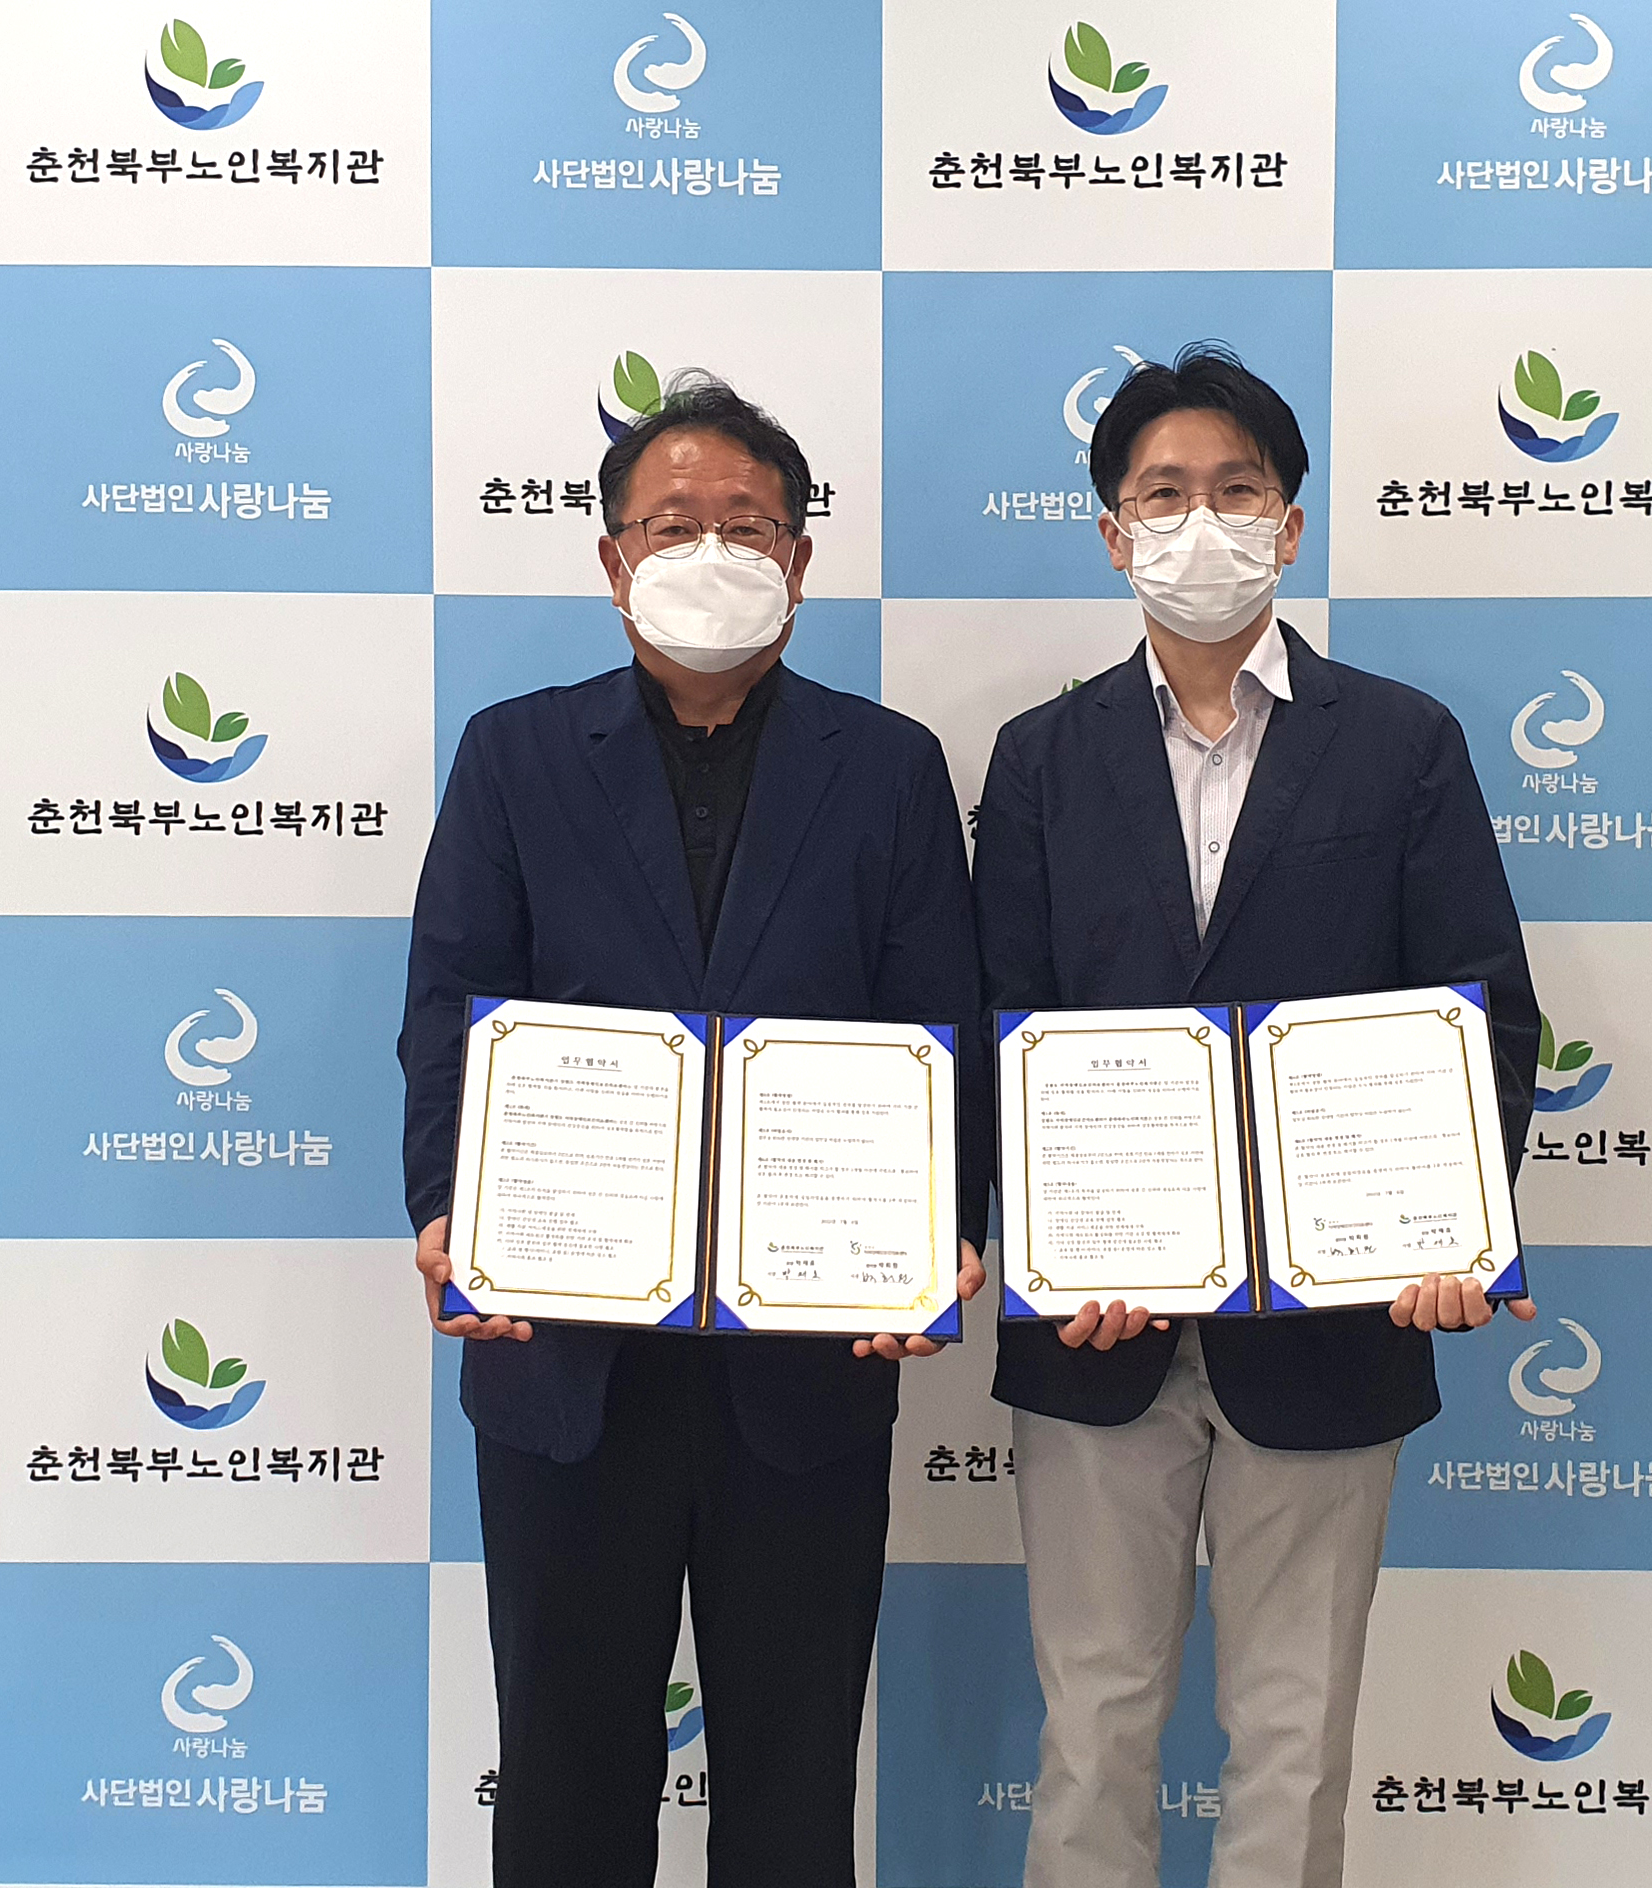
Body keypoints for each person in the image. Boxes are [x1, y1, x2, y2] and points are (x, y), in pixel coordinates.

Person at [400, 372, 987, 1886]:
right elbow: (451, 1008)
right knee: (565, 1776)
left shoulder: (889, 768)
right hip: (565, 1357)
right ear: (613, 560)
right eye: (673, 525)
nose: (711, 551)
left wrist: (941, 1235)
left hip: (809, 1364)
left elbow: (940, 1029)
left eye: (748, 523)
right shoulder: (516, 756)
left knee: (792, 1780)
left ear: (800, 559)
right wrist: (450, 1212)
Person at [972, 343, 1542, 1887]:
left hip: (1339, 1326)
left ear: (1290, 523)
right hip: (1097, 1334)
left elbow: (1482, 1010)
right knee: (1093, 1729)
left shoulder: (1402, 743)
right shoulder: (1040, 762)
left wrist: (1450, 1230)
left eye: (1236, 490)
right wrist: (1049, 1244)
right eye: (1164, 494)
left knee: (1295, 1740)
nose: (1201, 522)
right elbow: (1001, 1036)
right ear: (1114, 532)